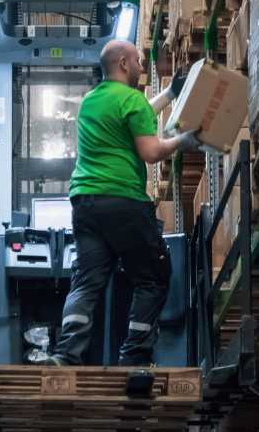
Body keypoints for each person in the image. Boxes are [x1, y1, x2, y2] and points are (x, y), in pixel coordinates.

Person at [45, 40, 200, 367]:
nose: (142, 66)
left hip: (86, 204)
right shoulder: (132, 101)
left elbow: (134, 113)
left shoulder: (90, 102)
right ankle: (134, 356)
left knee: (87, 281)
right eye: (139, 61)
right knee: (153, 276)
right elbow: (151, 152)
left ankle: (65, 355)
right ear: (124, 64)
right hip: (124, 202)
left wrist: (171, 94)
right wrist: (184, 141)